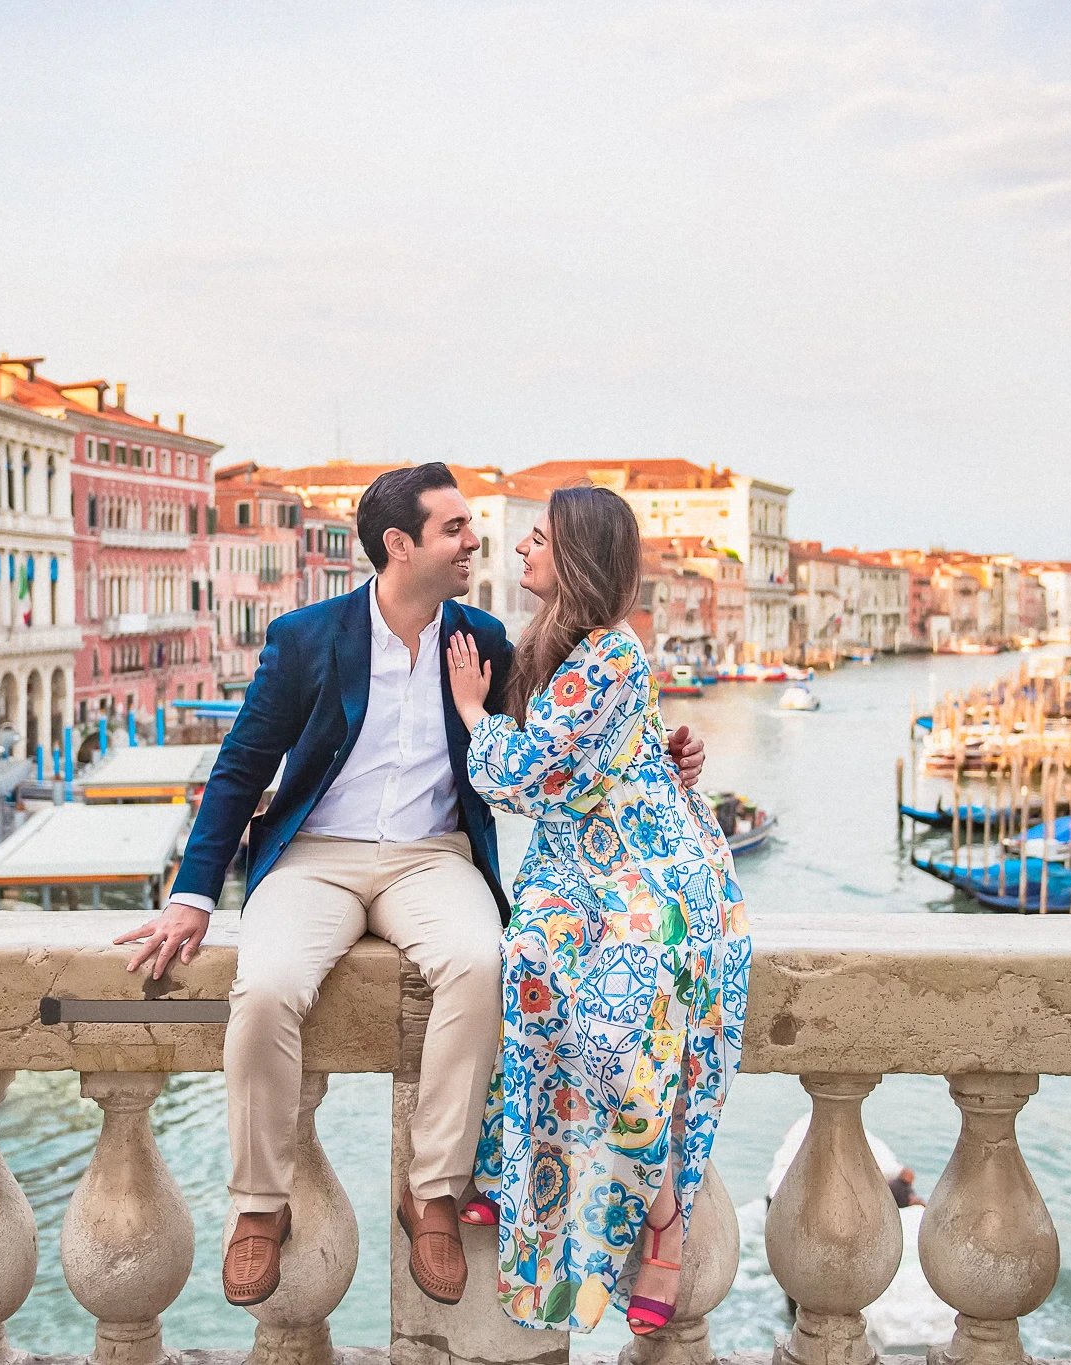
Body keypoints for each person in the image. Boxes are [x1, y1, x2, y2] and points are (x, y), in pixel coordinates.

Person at [112, 464, 705, 1311]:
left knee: (478, 962)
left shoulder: (486, 640)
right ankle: (257, 1207)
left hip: (432, 856)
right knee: (268, 987)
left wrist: (666, 758)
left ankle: (431, 1189)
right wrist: (193, 893)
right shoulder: (306, 636)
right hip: (316, 854)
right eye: (456, 529)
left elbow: (567, 738)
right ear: (400, 545)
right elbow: (242, 764)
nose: (476, 541)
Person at [444, 485, 750, 1336]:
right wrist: (674, 749)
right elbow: (614, 750)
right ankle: (517, 1179)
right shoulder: (551, 647)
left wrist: (473, 713)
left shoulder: (612, 653)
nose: (519, 550)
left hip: (650, 869)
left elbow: (523, 775)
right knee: (531, 965)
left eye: (536, 539)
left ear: (574, 558)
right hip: (575, 868)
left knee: (617, 1030)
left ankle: (663, 1216)